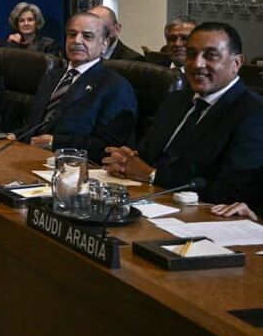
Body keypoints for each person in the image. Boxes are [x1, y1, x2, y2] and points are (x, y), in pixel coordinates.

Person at [102, 22, 263, 205]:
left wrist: (153, 175)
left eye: (210, 56)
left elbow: (234, 191)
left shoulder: (253, 113)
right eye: (191, 54)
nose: (197, 64)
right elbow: (147, 156)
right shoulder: (176, 99)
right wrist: (126, 162)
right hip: (144, 199)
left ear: (236, 63)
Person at [23, 12, 137, 162]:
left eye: (87, 36)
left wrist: (54, 143)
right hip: (31, 157)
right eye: (72, 34)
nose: (77, 41)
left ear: (104, 45)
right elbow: (37, 126)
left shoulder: (115, 86)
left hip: (76, 167)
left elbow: (110, 147)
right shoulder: (52, 77)